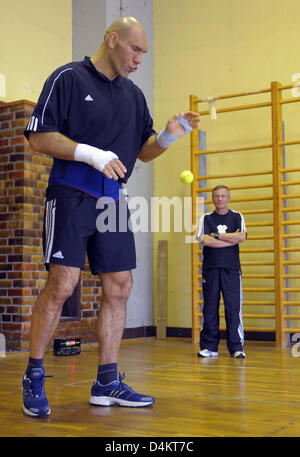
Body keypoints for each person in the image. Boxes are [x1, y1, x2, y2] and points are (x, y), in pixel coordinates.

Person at [22, 16, 201, 417]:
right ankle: (33, 374)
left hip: (113, 201)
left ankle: (106, 381)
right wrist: (91, 153)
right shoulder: (67, 78)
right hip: (70, 193)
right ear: (113, 39)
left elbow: (142, 151)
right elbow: (38, 137)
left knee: (120, 286)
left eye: (144, 54)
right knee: (62, 284)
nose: (140, 59)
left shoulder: (134, 96)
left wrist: (170, 135)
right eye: (136, 50)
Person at [196, 185, 247, 359]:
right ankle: (209, 347)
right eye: (216, 196)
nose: (219, 199)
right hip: (210, 269)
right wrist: (230, 239)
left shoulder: (237, 216)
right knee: (210, 307)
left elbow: (241, 237)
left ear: (228, 198)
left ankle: (236, 347)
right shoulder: (206, 218)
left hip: (231, 269)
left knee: (233, 307)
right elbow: (205, 240)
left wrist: (217, 236)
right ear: (212, 199)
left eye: (223, 195)